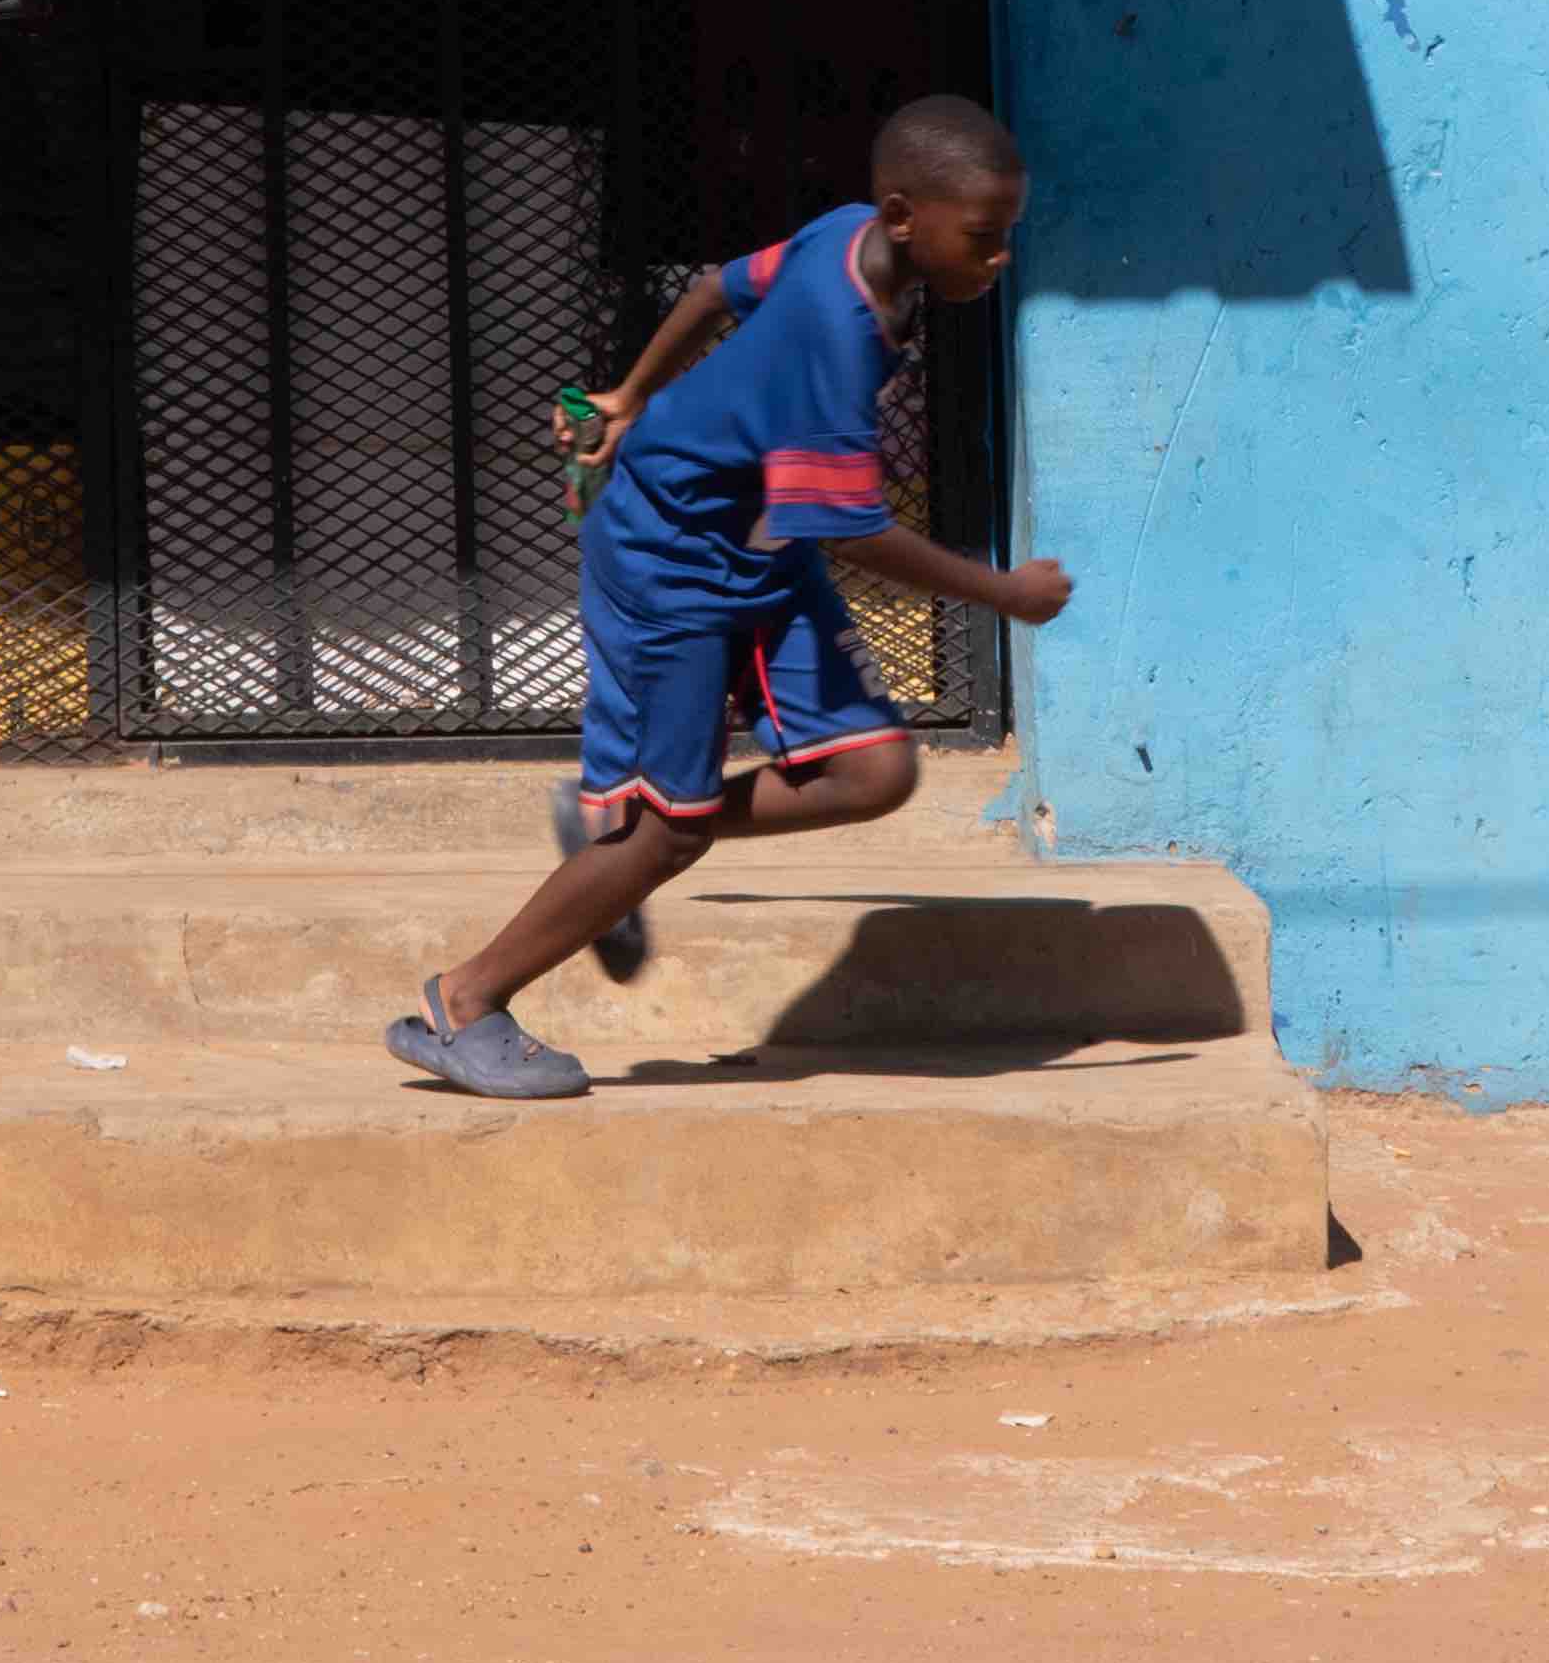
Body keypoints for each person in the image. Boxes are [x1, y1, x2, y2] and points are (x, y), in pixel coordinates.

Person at [386, 96, 1077, 1098]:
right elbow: (854, 530)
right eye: (982, 235)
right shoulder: (834, 336)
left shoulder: (845, 237)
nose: (999, 255)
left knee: (873, 771)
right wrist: (1003, 591)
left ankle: (624, 828)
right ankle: (464, 1001)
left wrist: (629, 394)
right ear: (901, 216)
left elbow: (717, 288)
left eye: (1005, 231)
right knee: (666, 833)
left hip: (757, 553)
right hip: (670, 562)